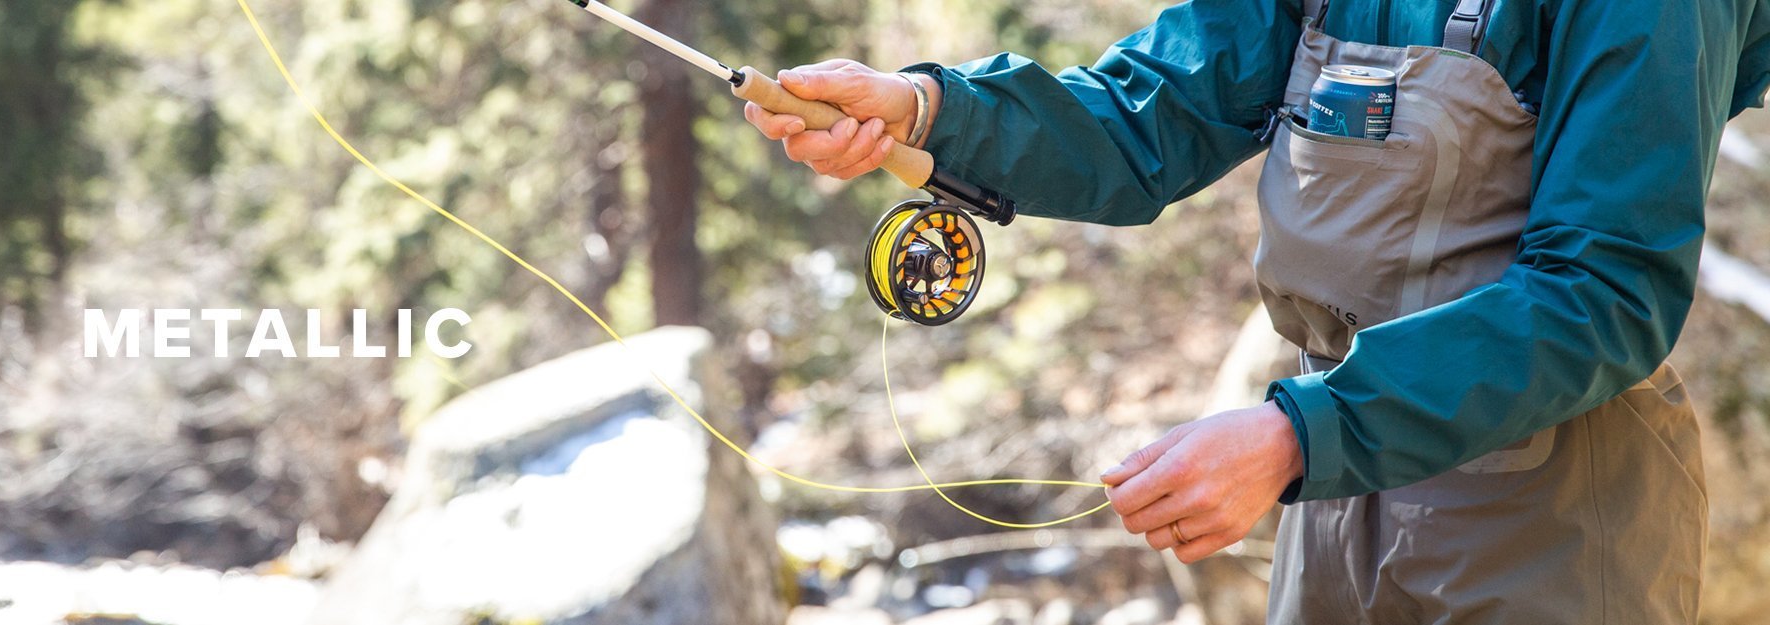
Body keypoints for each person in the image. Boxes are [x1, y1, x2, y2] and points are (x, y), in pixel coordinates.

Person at [744, 0, 1770, 622]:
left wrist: (1295, 434)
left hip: (1550, 521)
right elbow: (1154, 113)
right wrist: (933, 110)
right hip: (1328, 500)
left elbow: (1604, 292)